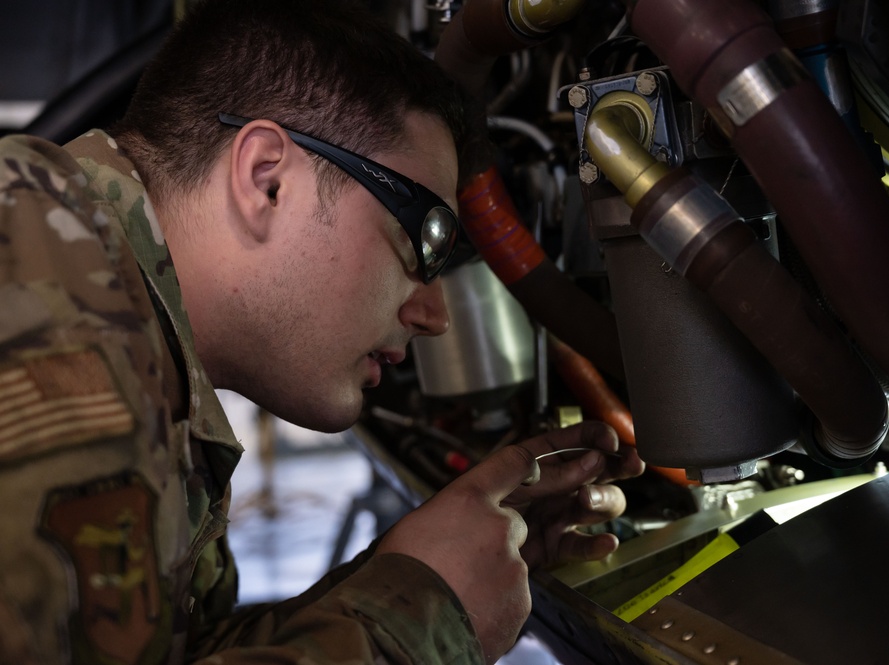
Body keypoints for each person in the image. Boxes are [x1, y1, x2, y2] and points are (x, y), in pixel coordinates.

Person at [0, 0, 645, 663]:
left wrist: (416, 575)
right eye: (423, 238)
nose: (435, 312)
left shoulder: (91, 293)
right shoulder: (62, 341)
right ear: (267, 180)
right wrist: (418, 619)